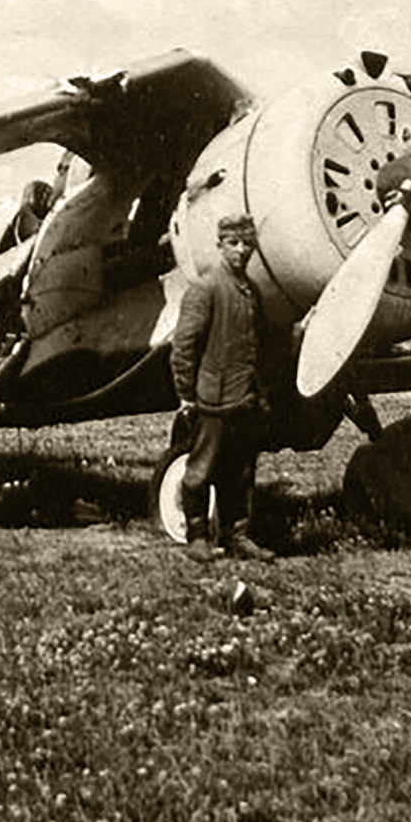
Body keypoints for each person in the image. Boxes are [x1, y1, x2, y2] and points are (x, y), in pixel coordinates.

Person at [170, 214, 275, 563]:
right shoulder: (205, 287)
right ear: (220, 245)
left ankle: (238, 535)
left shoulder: (251, 291)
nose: (241, 250)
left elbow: (259, 343)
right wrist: (186, 394)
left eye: (247, 244)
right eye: (234, 243)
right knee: (199, 471)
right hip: (212, 399)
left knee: (241, 472)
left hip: (243, 397)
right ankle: (197, 535)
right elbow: (183, 345)